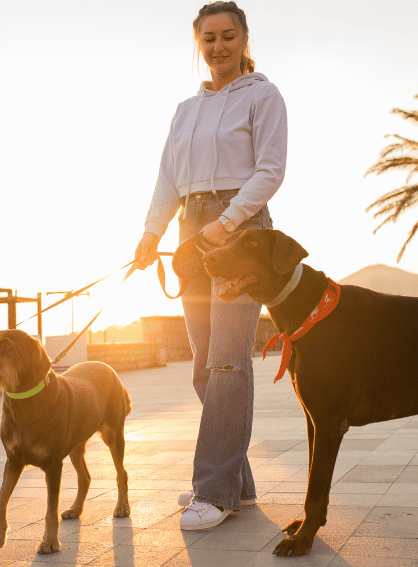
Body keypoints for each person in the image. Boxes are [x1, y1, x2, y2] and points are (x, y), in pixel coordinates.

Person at [133, 1, 288, 530]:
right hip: (190, 233)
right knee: (205, 366)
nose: (218, 46)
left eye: (228, 36)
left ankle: (215, 491)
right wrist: (151, 234)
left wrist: (227, 223)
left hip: (240, 234)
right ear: (197, 43)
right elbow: (167, 181)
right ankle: (236, 481)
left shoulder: (264, 95)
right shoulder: (185, 110)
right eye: (208, 38)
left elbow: (269, 171)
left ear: (244, 39)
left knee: (228, 361)